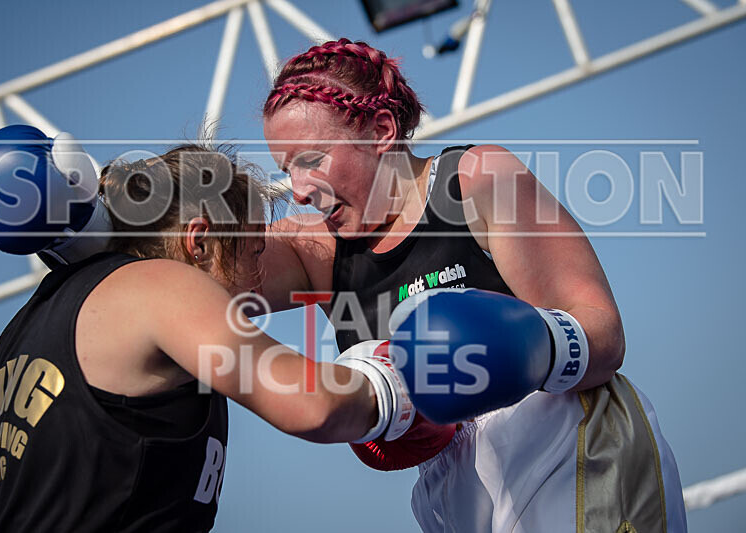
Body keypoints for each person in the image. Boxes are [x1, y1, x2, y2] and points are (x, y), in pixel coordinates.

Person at [258, 38, 688, 532]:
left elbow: (605, 336)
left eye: (311, 158)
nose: (299, 189)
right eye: (285, 168)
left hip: (578, 463)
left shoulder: (476, 180)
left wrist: (520, 346)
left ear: (381, 130)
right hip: (461, 504)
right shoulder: (317, 250)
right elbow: (195, 274)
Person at [0, 125, 440, 532]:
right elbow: (314, 406)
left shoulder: (32, 325)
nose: (260, 276)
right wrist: (412, 374)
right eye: (252, 250)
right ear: (200, 242)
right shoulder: (160, 287)